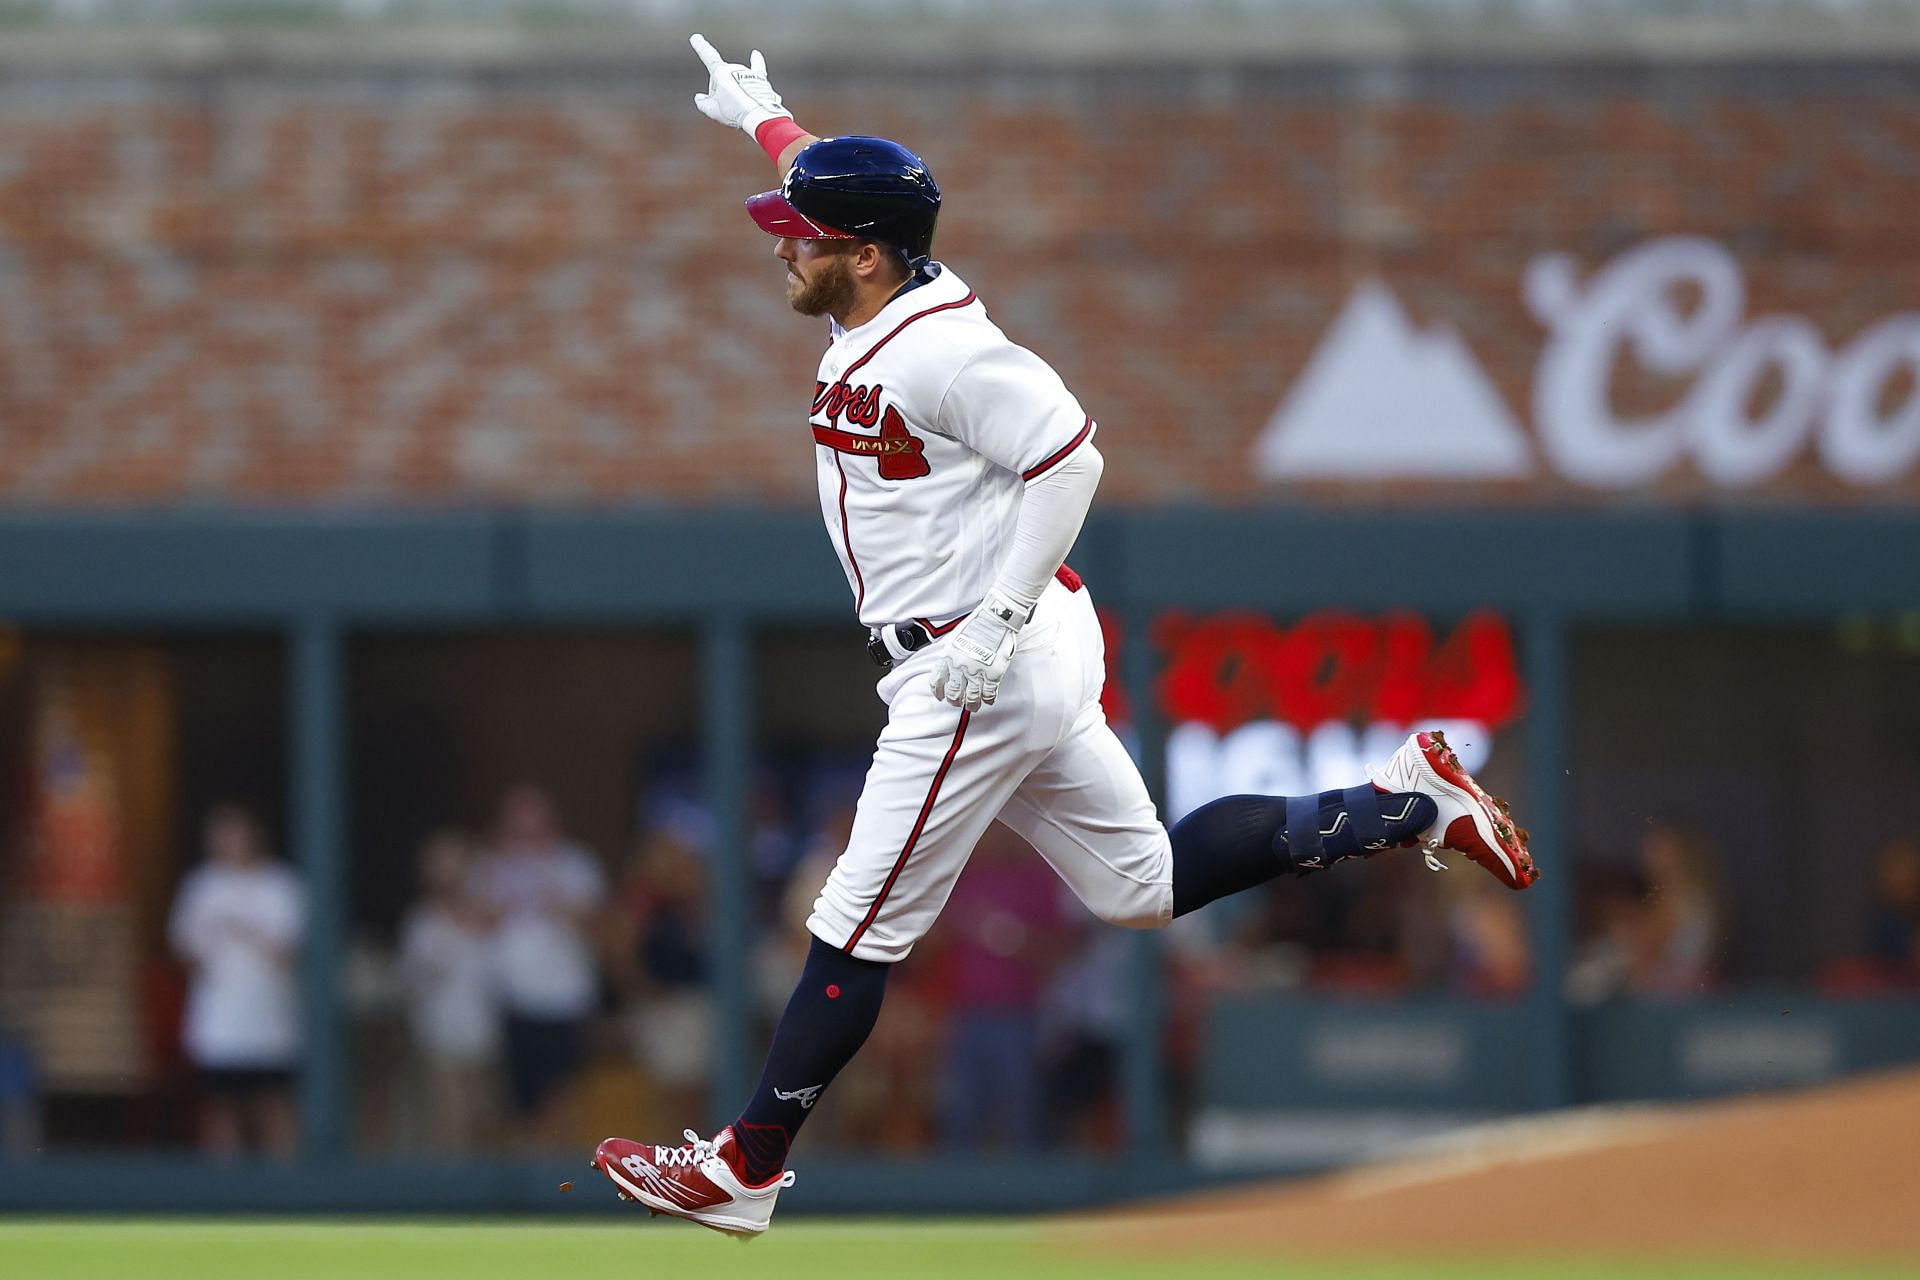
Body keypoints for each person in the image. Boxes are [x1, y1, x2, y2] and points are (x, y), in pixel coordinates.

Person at [590, 35, 1539, 1235]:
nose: (783, 240)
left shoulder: (942, 347)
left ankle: (746, 1161)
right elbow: (838, 194)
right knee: (1141, 884)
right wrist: (766, 119)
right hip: (1010, 644)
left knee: (852, 920)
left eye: (804, 230)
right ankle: (1406, 800)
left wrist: (989, 623)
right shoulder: (887, 298)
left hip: (973, 659)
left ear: (867, 257)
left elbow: (1071, 454)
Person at [472, 784, 607, 1150]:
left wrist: (554, 894)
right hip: (512, 999)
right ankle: (525, 1176)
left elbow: (597, 925)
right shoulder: (492, 868)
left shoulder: (576, 865)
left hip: (565, 999)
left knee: (562, 1094)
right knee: (517, 1101)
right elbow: (476, 921)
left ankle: (559, 1174)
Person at [166, 805, 305, 1159]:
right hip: (219, 1025)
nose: (230, 842)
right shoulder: (200, 886)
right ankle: (222, 1192)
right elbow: (184, 949)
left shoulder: (282, 885)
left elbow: (292, 951)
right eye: (222, 835)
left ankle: (286, 1190)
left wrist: (241, 930)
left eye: (237, 833)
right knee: (220, 1106)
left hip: (271, 1022)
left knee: (272, 1104)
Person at [396, 830, 500, 1153]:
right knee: (448, 1128)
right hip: (441, 1039)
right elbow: (412, 983)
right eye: (441, 866)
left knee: (485, 1124)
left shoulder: (490, 920)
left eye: (456, 864)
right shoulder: (422, 924)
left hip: (487, 1038)